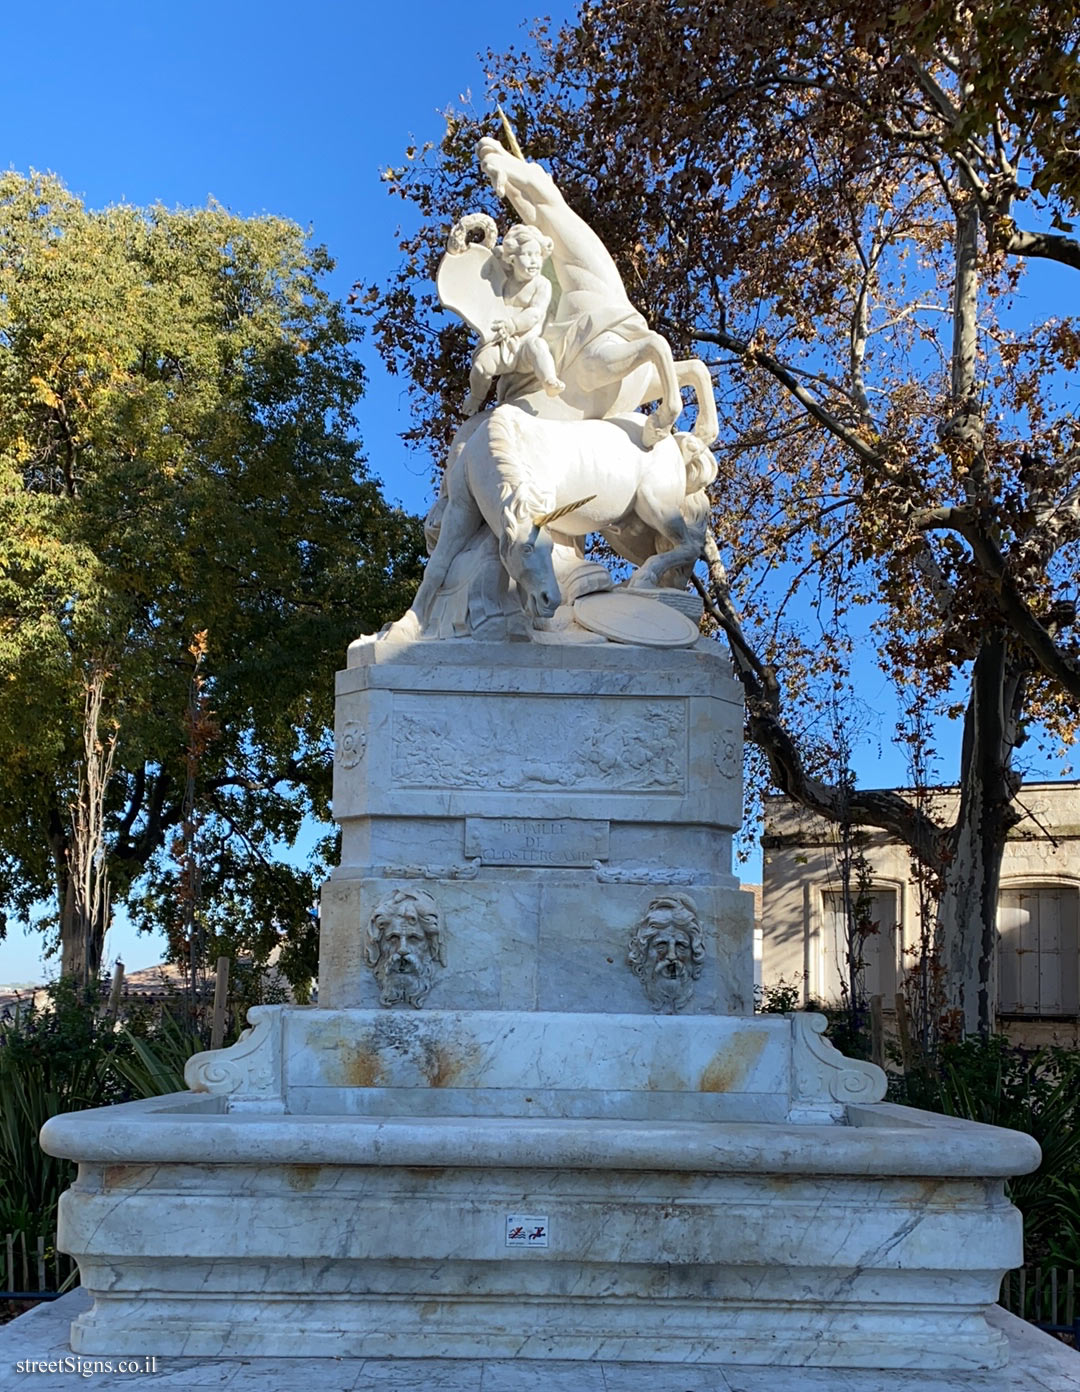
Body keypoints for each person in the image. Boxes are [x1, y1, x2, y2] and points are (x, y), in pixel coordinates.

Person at [461, 223, 565, 416]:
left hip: (525, 344)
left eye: (537, 255)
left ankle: (549, 380)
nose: (534, 261)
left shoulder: (542, 284)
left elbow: (535, 313)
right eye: (527, 255)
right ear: (512, 258)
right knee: (480, 368)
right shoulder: (503, 282)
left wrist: (512, 325)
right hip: (500, 343)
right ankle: (475, 397)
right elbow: (486, 296)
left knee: (539, 347)